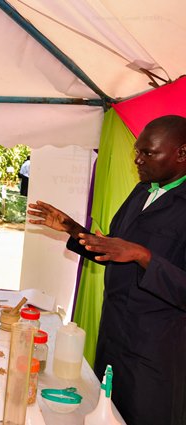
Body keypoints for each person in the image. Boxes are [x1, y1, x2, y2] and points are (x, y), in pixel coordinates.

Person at [27, 115, 186, 425]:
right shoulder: (142, 191)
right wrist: (72, 229)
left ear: (182, 153)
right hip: (114, 338)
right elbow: (112, 251)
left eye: (148, 153)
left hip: (155, 356)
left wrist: (143, 256)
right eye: (137, 151)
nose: (138, 160)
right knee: (103, 415)